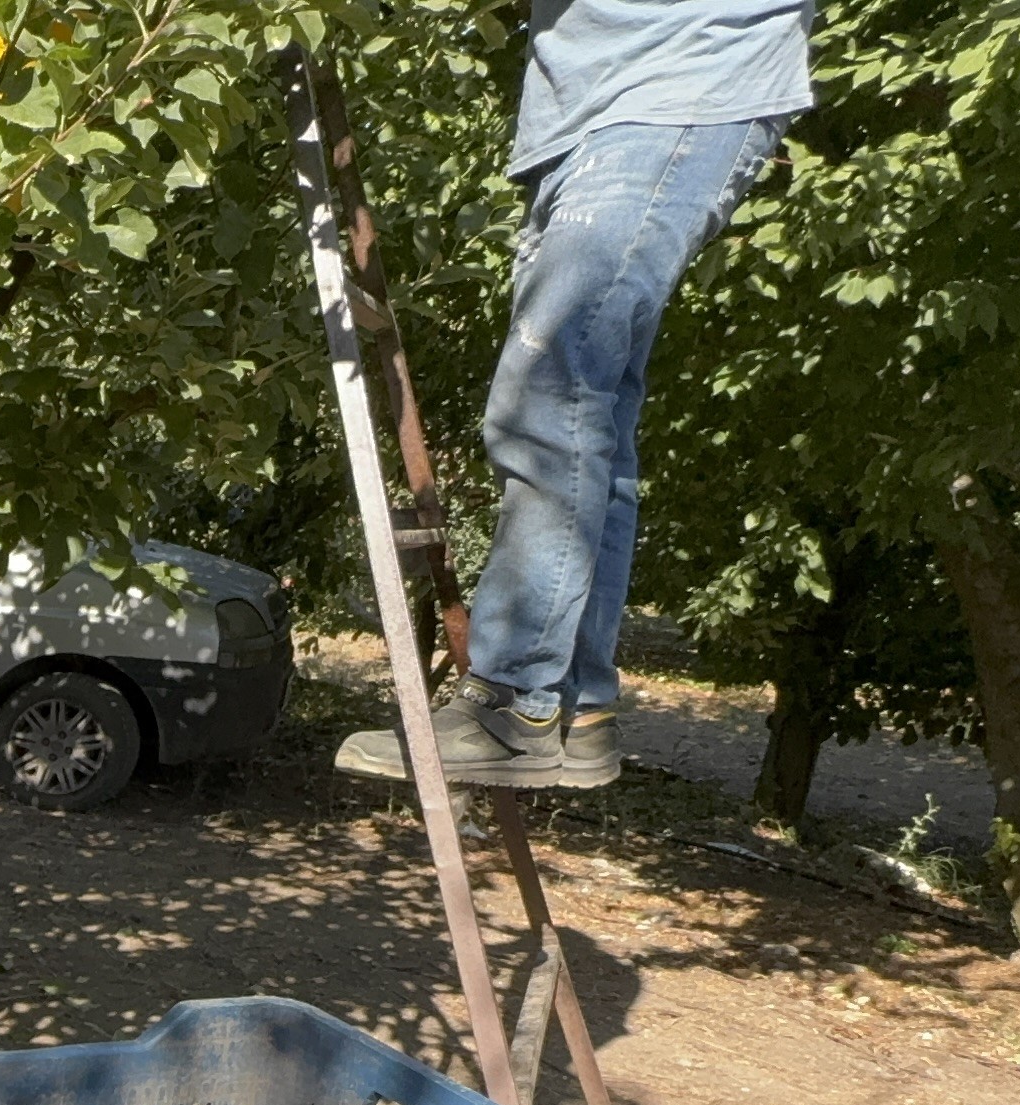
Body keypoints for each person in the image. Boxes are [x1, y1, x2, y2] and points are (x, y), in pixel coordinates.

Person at [337, 0, 813, 789]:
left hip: (672, 88)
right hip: (596, 114)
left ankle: (513, 704)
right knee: (590, 413)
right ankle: (571, 706)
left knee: (547, 392)